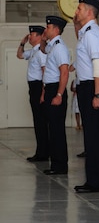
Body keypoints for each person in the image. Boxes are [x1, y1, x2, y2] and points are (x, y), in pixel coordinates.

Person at [73, 0, 99, 193]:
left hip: (91, 88)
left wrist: (97, 94)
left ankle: (96, 182)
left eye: (79, 9)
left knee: (94, 137)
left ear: (88, 11)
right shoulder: (87, 32)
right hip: (85, 87)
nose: (76, 11)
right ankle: (92, 180)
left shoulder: (93, 33)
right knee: (90, 137)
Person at [41, 15, 70, 175]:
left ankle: (60, 165)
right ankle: (56, 164)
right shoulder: (52, 46)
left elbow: (64, 72)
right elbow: (43, 49)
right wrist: (44, 38)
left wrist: (59, 94)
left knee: (57, 129)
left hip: (56, 89)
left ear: (57, 30)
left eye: (49, 27)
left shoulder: (59, 47)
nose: (46, 30)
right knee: (53, 128)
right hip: (51, 89)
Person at [17, 25, 49, 162]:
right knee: (38, 121)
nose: (30, 36)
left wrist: (43, 93)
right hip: (33, 88)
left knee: (41, 122)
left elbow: (44, 73)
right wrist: (22, 43)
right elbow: (19, 55)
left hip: (38, 88)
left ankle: (43, 153)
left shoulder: (41, 52)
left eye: (33, 34)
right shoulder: (34, 51)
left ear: (40, 36)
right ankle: (41, 151)